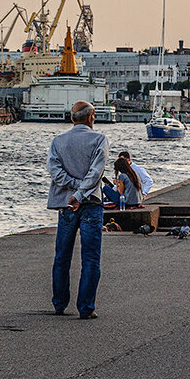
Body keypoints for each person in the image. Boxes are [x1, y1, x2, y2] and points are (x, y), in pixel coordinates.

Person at [47, 101, 108, 318]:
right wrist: (81, 192)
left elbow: (54, 171)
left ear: (73, 118)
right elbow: (96, 173)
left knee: (62, 255)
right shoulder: (99, 139)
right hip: (91, 203)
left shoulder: (58, 141)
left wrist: (73, 189)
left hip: (66, 204)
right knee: (90, 258)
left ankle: (59, 303)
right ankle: (86, 308)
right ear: (91, 116)